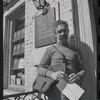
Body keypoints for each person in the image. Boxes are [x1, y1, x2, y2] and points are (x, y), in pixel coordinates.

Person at [37, 20, 86, 100]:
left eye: (65, 31)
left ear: (68, 31)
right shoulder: (50, 50)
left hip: (72, 90)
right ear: (55, 34)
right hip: (55, 91)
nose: (63, 33)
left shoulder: (76, 50)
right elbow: (39, 68)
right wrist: (52, 74)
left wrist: (78, 76)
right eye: (59, 31)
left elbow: (83, 70)